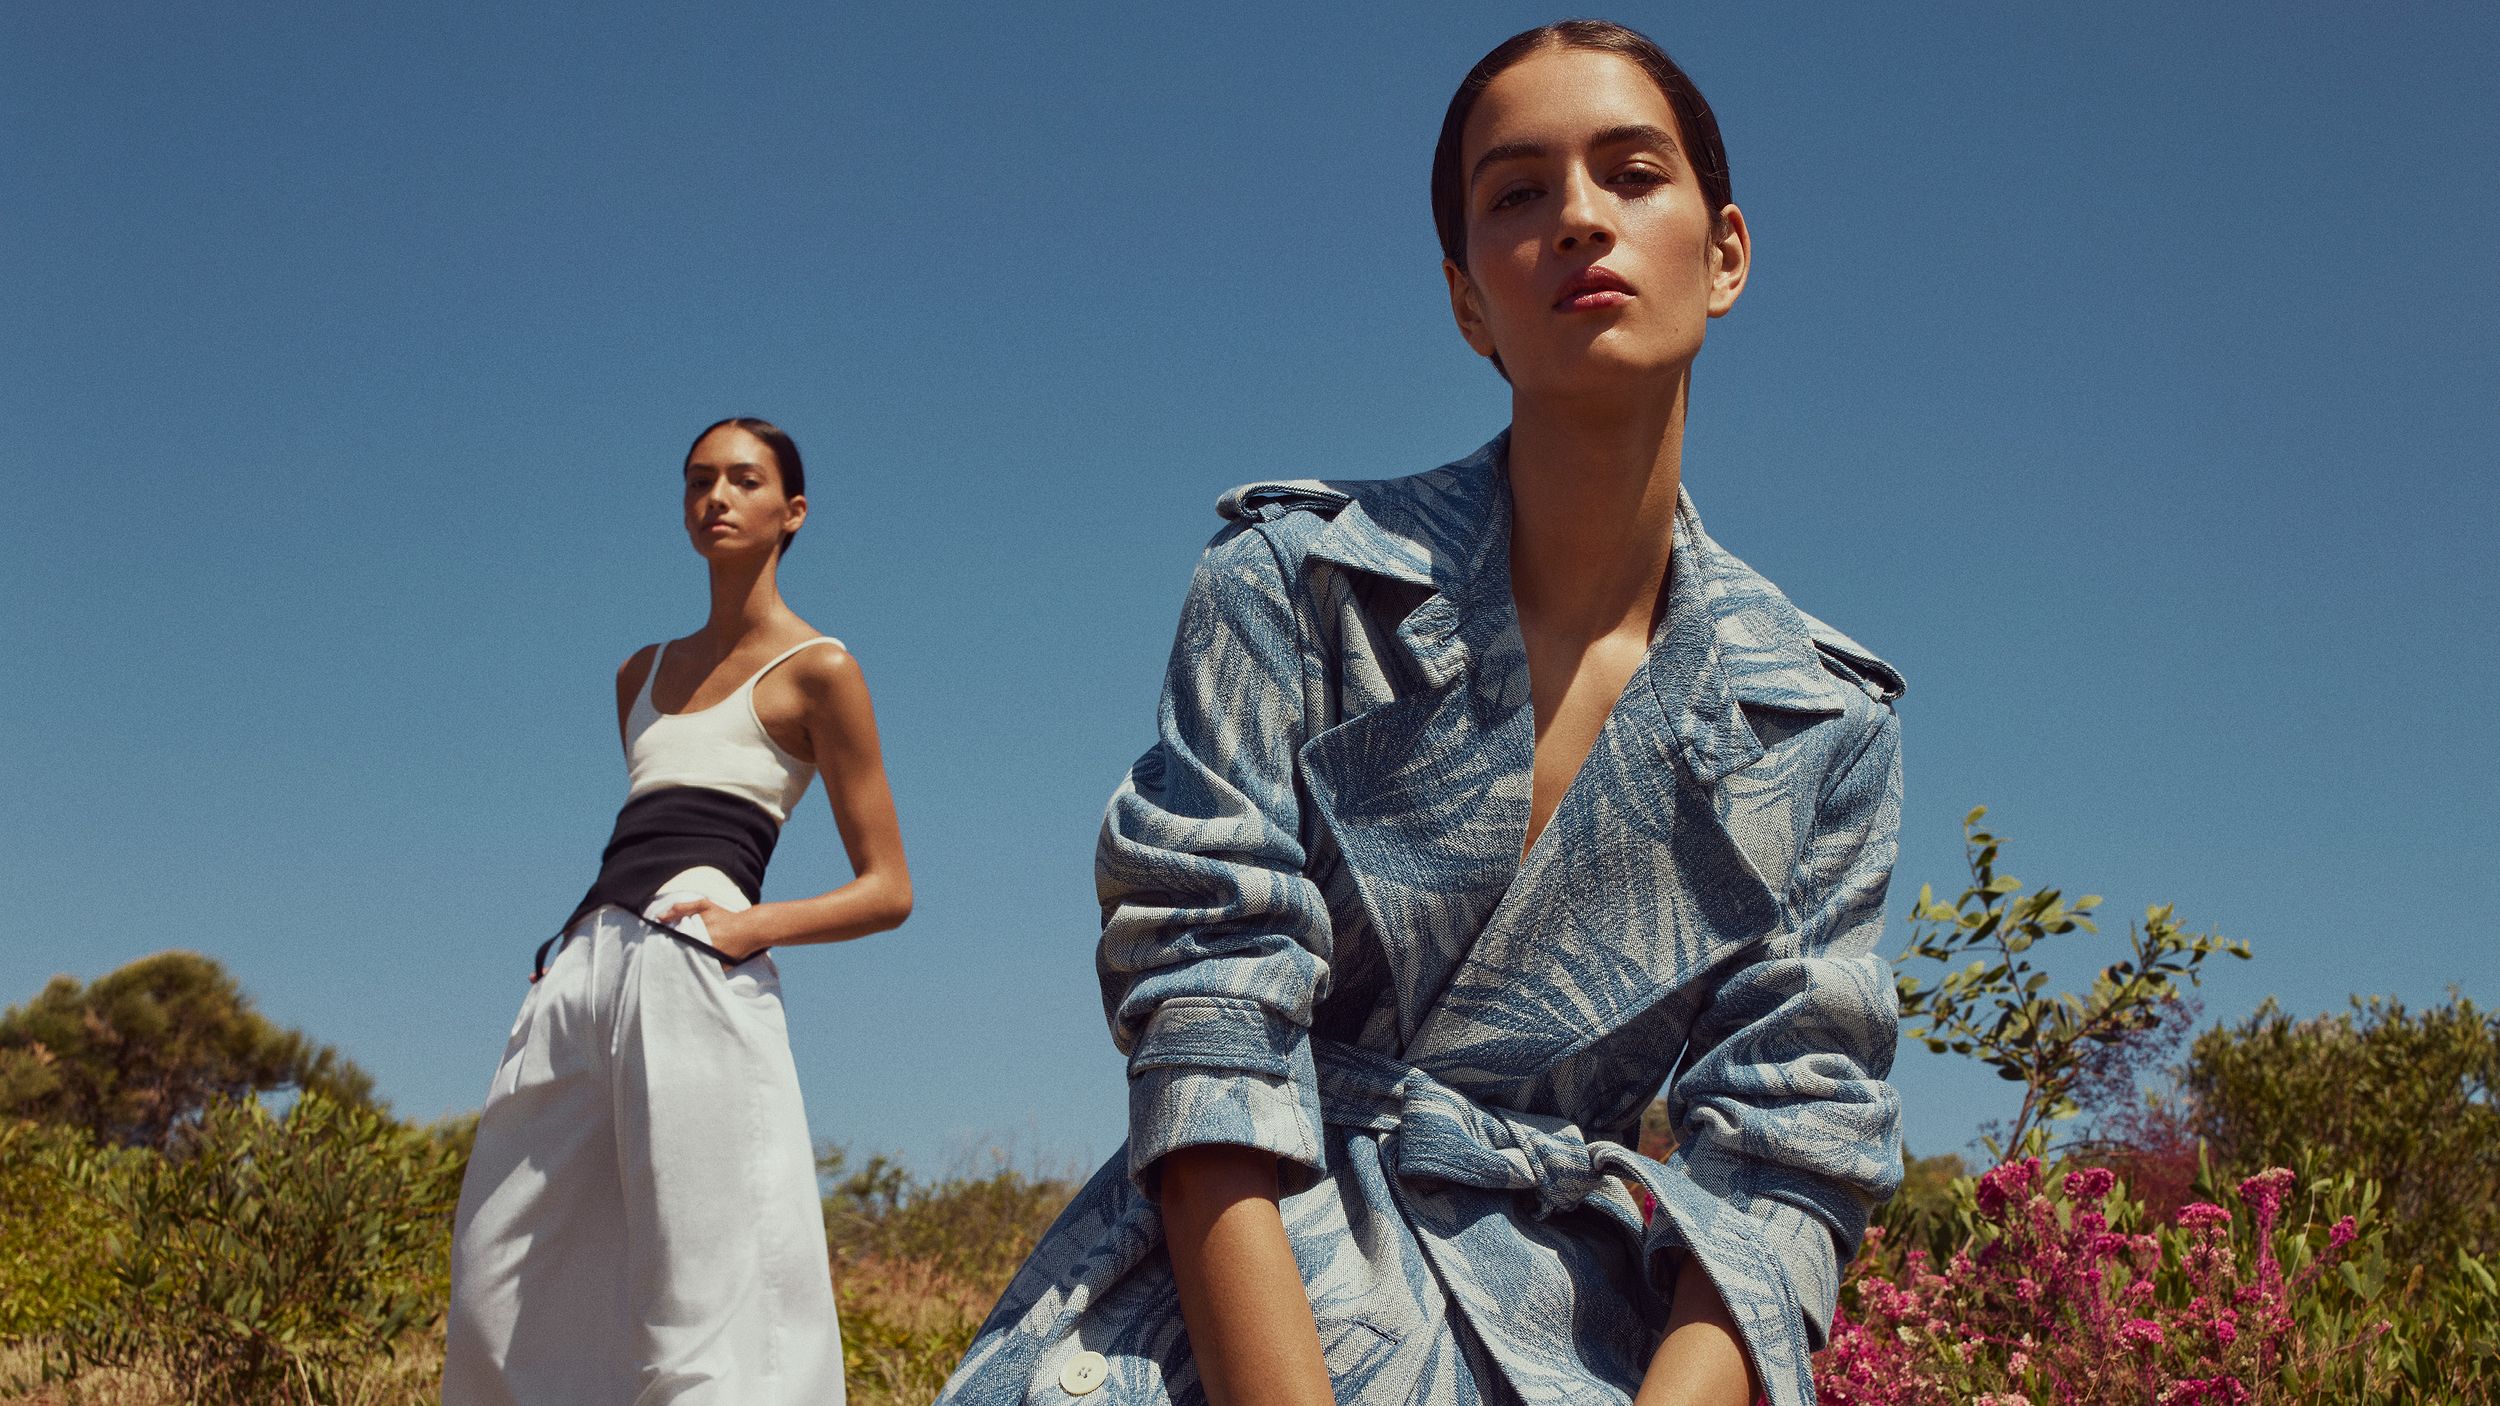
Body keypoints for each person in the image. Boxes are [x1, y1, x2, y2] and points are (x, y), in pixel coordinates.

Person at [937, 21, 1903, 1406]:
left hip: (1576, 1341)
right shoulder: (1296, 585)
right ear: (1467, 300)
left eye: (1632, 172)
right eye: (1517, 193)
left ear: (1727, 251)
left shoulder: (1819, 723)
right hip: (1233, 1304)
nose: (1577, 216)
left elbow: (1780, 1159)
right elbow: (1208, 1027)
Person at [444, 417, 913, 1406]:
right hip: (580, 962)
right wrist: (570, 951)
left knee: (707, 1286)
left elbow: (888, 888)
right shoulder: (639, 673)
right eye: (699, 479)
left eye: (743, 480)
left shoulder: (819, 668)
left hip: (697, 958)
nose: (716, 496)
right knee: (501, 1271)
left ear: (791, 512)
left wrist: (751, 925)